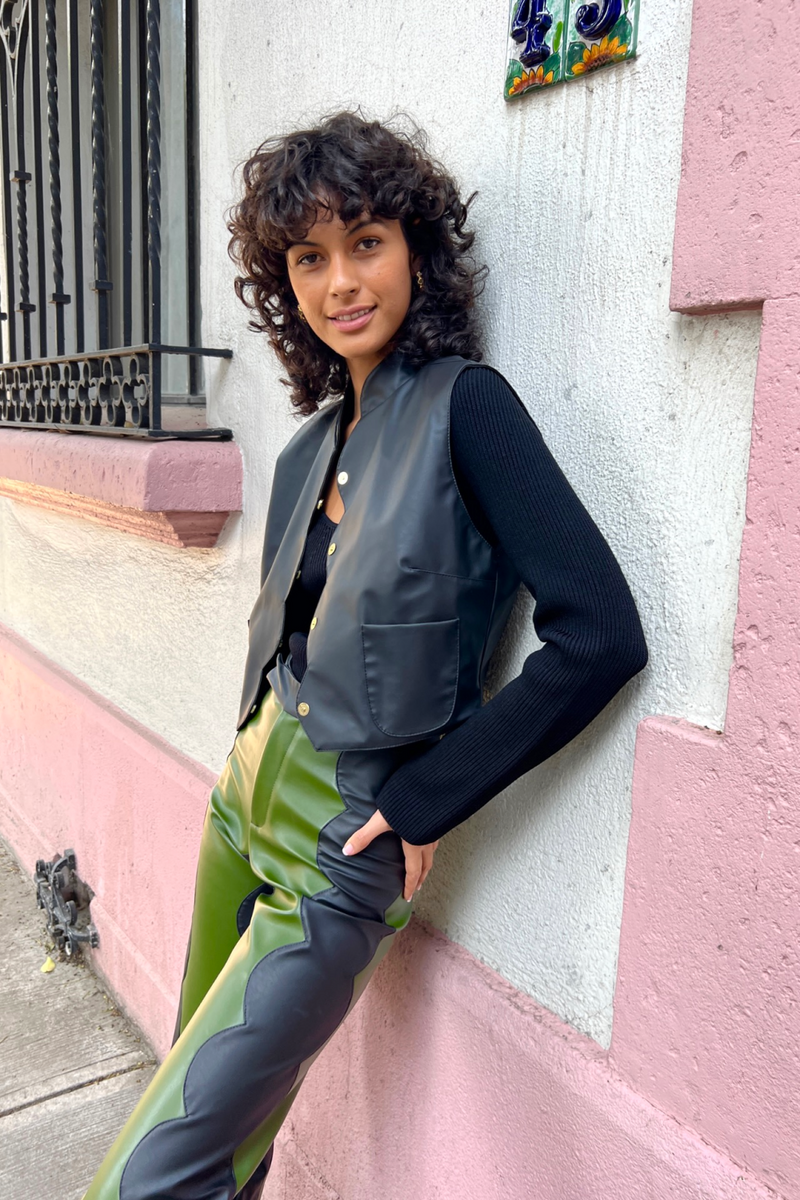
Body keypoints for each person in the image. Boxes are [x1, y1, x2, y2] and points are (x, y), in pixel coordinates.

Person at [82, 111, 648, 1199]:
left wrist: (431, 796)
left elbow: (600, 634)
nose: (340, 281)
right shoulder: (308, 445)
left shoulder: (466, 408)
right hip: (240, 801)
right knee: (219, 1141)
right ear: (284, 283)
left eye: (366, 242)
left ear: (416, 250)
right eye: (309, 258)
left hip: (341, 839)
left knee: (152, 1175)